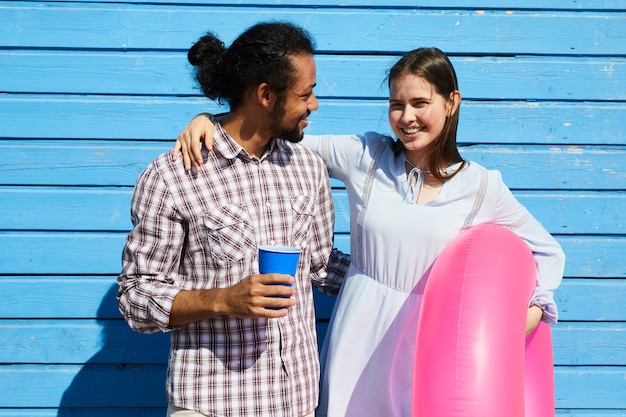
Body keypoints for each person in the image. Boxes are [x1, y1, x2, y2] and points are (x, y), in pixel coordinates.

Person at [173, 47, 566, 416]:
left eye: (420, 103)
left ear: (452, 103)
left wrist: (523, 316)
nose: (407, 117)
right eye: (397, 105)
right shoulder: (367, 155)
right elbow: (278, 132)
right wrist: (213, 121)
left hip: (426, 341)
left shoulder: (482, 187)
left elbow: (548, 252)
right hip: (359, 334)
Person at [117, 22, 350, 417]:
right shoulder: (175, 175)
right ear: (265, 94)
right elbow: (136, 297)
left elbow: (319, 266)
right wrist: (224, 300)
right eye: (305, 94)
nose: (314, 105)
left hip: (297, 404)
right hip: (213, 406)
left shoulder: (309, 168)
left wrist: (402, 281)